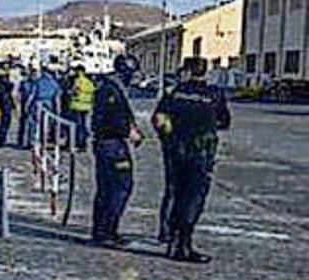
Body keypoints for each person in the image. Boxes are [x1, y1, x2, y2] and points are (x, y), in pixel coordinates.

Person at [153, 57, 231, 263]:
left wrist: (168, 139)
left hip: (175, 151)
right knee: (193, 198)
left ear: (187, 70)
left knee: (175, 193)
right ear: (205, 72)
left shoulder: (174, 92)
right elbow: (224, 121)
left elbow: (158, 119)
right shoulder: (214, 94)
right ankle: (183, 245)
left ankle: (171, 239)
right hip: (200, 153)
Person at [89, 54, 144, 247]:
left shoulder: (110, 86)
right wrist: (129, 132)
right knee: (118, 187)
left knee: (108, 188)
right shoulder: (111, 89)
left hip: (109, 143)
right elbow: (113, 118)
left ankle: (103, 230)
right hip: (112, 145)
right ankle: (106, 231)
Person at [155, 69, 183, 243]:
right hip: (176, 147)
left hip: (173, 146)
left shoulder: (173, 96)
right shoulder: (172, 96)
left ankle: (169, 231)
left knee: (173, 190)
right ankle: (168, 231)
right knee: (175, 190)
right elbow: (159, 120)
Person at [67, 65, 97, 149]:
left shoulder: (78, 81)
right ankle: (84, 144)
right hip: (87, 106)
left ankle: (78, 143)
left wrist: (69, 93)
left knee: (78, 126)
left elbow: (75, 91)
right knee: (85, 126)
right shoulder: (89, 82)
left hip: (77, 106)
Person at [18, 68, 38, 149]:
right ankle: (24, 141)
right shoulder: (26, 83)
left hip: (31, 106)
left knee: (30, 124)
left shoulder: (33, 84)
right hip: (27, 105)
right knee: (27, 124)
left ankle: (27, 141)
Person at [0, 68, 16, 147]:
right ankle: (1, 139)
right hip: (5, 103)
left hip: (4, 102)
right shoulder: (2, 81)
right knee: (5, 121)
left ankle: (2, 139)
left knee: (5, 121)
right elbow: (9, 88)